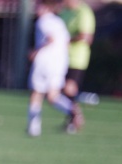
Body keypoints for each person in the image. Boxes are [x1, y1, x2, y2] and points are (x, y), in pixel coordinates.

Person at [26, 0, 78, 137]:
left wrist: (35, 52)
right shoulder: (59, 22)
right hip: (59, 63)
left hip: (44, 62)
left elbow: (51, 39)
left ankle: (33, 128)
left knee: (37, 93)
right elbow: (66, 43)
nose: (36, 9)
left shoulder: (43, 21)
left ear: (46, 7)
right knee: (53, 97)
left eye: (38, 6)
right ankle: (73, 111)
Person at [60, 0, 96, 132]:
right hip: (61, 57)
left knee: (69, 88)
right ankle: (74, 117)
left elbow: (86, 37)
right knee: (62, 89)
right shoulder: (64, 11)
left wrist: (68, 40)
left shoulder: (83, 12)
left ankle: (75, 116)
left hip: (77, 58)